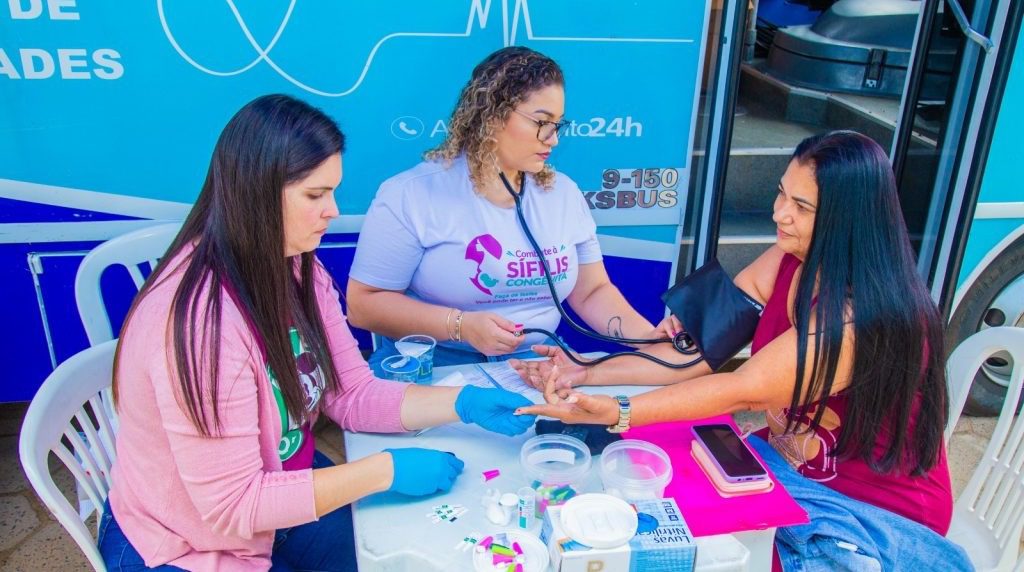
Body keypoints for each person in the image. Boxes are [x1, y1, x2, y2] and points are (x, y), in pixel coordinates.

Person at [100, 94, 536, 571]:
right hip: (191, 542)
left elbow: (351, 394)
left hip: (279, 493)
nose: (332, 210)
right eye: (315, 195)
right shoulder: (201, 324)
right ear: (256, 193)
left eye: (333, 192)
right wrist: (382, 470)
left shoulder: (296, 269)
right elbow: (233, 505)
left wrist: (462, 404)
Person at [513, 131, 966, 569]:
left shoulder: (858, 319)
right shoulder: (790, 258)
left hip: (869, 508)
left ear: (849, 221)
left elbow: (744, 391)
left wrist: (616, 411)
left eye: (802, 207)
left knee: (699, 549)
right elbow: (699, 352)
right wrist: (587, 373)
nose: (779, 214)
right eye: (781, 193)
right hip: (785, 469)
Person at [347, 46, 660, 373]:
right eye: (542, 122)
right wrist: (461, 326)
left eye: (558, 125)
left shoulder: (563, 193)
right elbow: (363, 304)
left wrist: (650, 339)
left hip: (537, 361)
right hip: (437, 363)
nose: (553, 139)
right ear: (491, 116)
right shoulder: (410, 194)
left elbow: (592, 291)